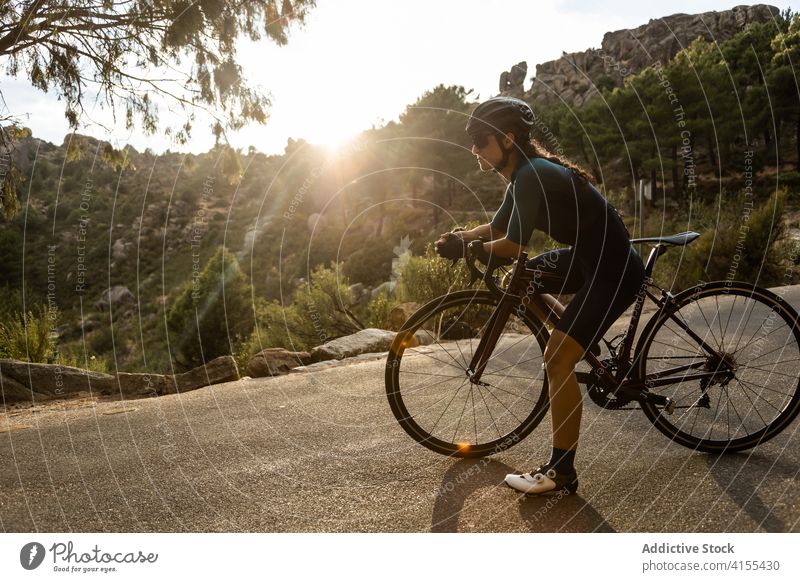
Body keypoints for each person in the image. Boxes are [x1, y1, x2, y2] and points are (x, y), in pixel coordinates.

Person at [435, 96, 645, 495]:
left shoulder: (530, 176)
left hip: (612, 267)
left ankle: (562, 472)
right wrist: (463, 238)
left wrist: (467, 249)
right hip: (589, 257)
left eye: (481, 139)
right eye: (472, 140)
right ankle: (580, 338)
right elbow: (496, 230)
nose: (474, 148)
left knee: (557, 358)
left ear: (508, 139)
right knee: (524, 277)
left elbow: (512, 244)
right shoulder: (521, 177)